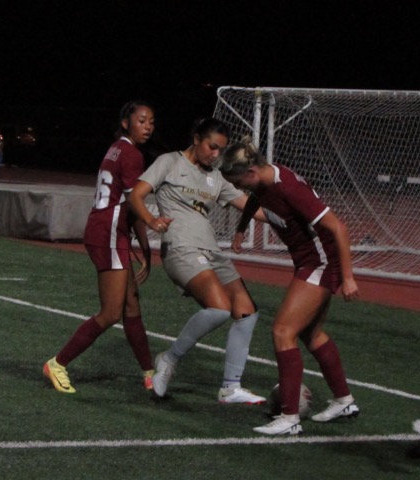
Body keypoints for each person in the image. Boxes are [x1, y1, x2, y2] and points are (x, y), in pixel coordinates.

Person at [219, 139, 360, 435]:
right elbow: (256, 199)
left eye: (240, 182)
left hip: (319, 264)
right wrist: (242, 228)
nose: (242, 188)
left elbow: (338, 228)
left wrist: (348, 277)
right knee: (311, 333)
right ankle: (344, 400)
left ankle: (289, 418)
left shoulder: (288, 187)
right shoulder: (264, 183)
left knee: (283, 331)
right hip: (311, 263)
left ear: (253, 171)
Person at [127, 118, 266, 405]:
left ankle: (230, 387)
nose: (216, 155)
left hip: (211, 251)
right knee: (219, 308)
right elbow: (136, 196)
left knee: (246, 312)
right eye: (211, 147)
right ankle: (169, 358)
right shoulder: (170, 162)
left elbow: (251, 206)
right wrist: (151, 220)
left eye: (221, 150)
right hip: (181, 247)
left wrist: (295, 212)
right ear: (196, 138)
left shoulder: (216, 177)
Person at [43, 100, 156, 393]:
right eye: (142, 121)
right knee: (110, 313)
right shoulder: (131, 154)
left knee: (132, 306)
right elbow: (134, 203)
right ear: (125, 123)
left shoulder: (116, 147)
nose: (148, 127)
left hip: (107, 231)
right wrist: (148, 240)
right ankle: (57, 363)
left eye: (151, 122)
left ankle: (149, 373)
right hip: (108, 234)